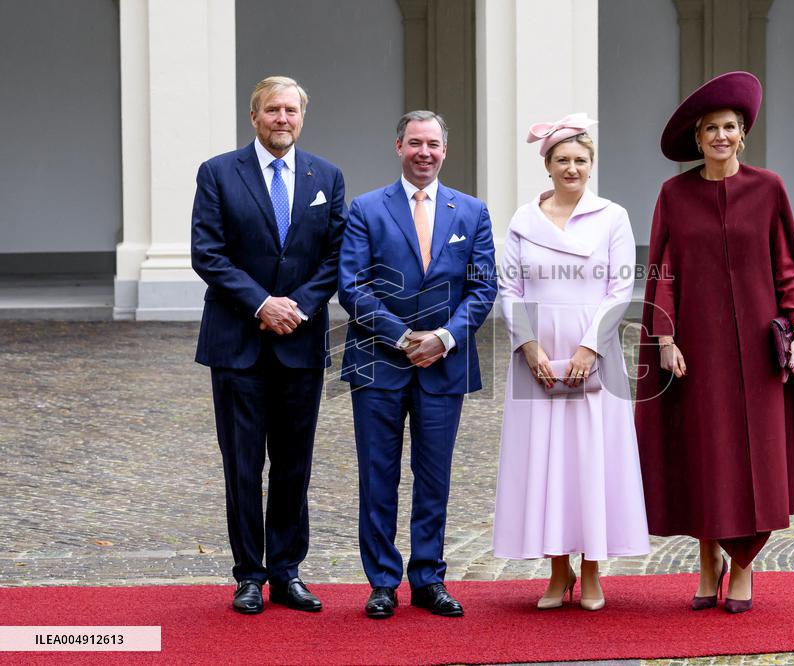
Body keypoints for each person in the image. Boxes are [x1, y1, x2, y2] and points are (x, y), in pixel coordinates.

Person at [634, 71, 794, 613]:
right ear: (697, 141)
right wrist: (665, 336)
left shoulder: (768, 188)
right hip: (696, 351)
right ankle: (707, 561)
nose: (720, 136)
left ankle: (742, 566)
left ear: (742, 135)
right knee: (706, 453)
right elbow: (664, 271)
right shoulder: (674, 194)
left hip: (757, 347)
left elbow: (787, 265)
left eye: (729, 127)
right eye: (710, 129)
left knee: (756, 458)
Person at [191, 76, 346, 614]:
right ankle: (248, 575)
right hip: (237, 342)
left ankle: (287, 571)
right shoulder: (217, 173)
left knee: (293, 464)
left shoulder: (326, 176)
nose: (283, 119)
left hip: (299, 342)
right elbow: (208, 254)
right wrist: (263, 304)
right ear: (254, 117)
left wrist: (295, 306)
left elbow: (335, 257)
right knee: (241, 464)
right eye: (272, 110)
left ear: (302, 117)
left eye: (292, 111)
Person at [338, 110, 497, 619]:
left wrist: (444, 337)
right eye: (414, 143)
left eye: (432, 144)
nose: (423, 152)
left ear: (444, 150)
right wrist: (404, 337)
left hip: (444, 365)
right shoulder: (366, 209)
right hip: (379, 362)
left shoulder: (471, 212)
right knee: (377, 474)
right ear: (398, 147)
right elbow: (352, 286)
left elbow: (483, 286)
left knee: (434, 476)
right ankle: (382, 581)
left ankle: (428, 577)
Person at [492, 114, 650, 612]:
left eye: (580, 160)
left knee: (590, 458)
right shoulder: (523, 219)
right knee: (546, 459)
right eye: (562, 159)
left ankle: (593, 570)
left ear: (591, 165)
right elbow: (510, 288)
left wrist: (589, 347)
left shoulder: (612, 216)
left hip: (591, 348)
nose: (572, 168)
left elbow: (620, 286)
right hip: (536, 351)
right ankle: (557, 573)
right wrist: (528, 346)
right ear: (547, 164)